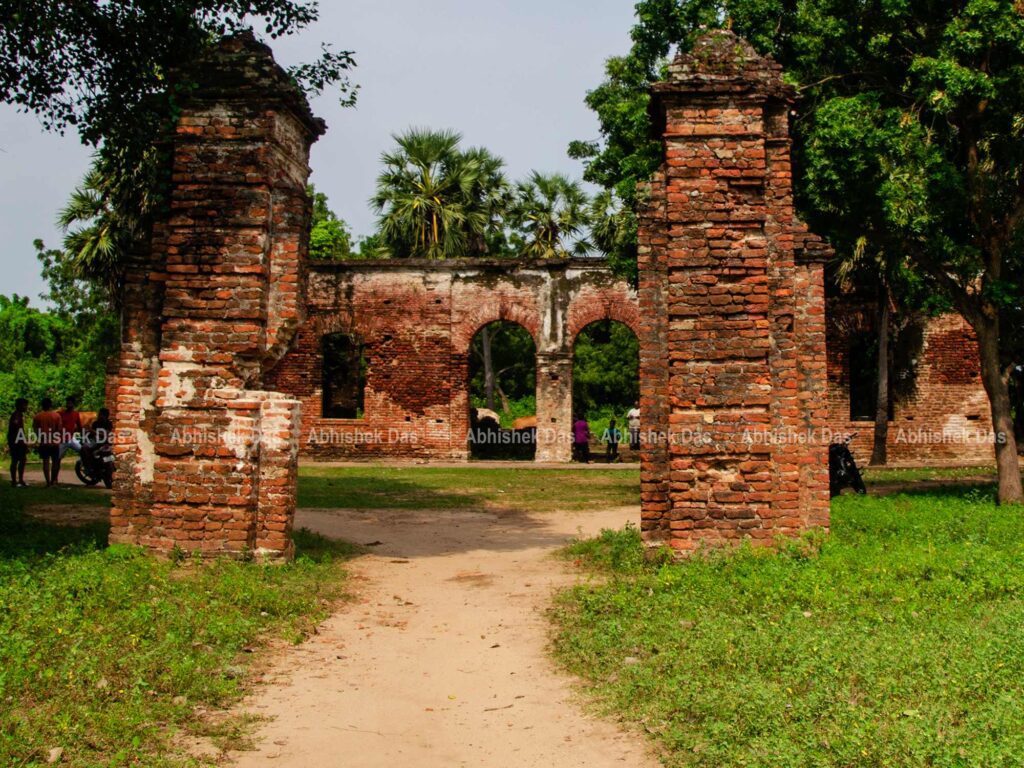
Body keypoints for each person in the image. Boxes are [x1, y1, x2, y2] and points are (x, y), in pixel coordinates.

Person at [32, 397, 63, 487]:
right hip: (54, 442)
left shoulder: (37, 416)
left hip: (44, 442)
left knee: (45, 462)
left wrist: (40, 438)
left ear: (42, 405)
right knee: (55, 462)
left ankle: (48, 482)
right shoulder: (56, 416)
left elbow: (35, 429)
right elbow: (59, 430)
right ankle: (53, 482)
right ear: (50, 405)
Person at [7, 398, 29, 487]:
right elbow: (17, 430)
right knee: (17, 460)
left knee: (20, 460)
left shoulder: (19, 415)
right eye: (25, 405)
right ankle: (15, 481)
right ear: (20, 406)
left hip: (16, 441)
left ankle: (19, 480)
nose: (26, 407)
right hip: (16, 442)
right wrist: (23, 442)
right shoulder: (16, 416)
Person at [58, 396, 83, 461]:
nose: (68, 404)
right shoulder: (61, 413)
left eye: (70, 403)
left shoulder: (76, 414)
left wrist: (83, 437)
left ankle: (86, 467)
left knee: (83, 450)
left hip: (71, 439)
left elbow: (80, 427)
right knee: (57, 459)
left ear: (73, 404)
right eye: (67, 403)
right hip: (62, 440)